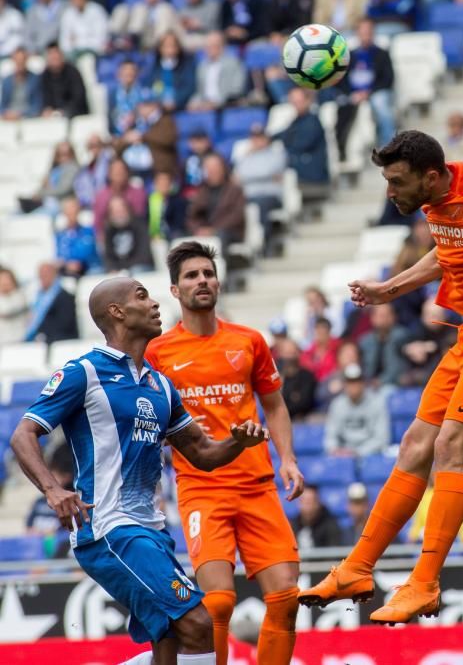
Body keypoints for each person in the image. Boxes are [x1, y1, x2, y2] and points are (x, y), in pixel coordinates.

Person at [298, 130, 463, 625]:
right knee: (413, 446)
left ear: (430, 176)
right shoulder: (430, 201)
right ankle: (357, 568)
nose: (389, 192)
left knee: (450, 447)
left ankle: (424, 583)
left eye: (397, 182)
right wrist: (389, 289)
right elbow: (449, 252)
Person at [11, 275, 270, 665]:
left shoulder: (161, 386)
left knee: (167, 638)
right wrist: (52, 489)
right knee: (199, 623)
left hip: (152, 530)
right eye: (142, 296)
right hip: (109, 528)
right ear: (117, 312)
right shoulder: (85, 372)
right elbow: (24, 434)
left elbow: (201, 452)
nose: (154, 304)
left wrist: (237, 442)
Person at [145, 241, 305, 665]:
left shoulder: (249, 341)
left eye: (208, 273)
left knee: (287, 597)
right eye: (192, 276)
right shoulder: (157, 352)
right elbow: (145, 416)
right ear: (175, 291)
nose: (203, 281)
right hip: (202, 487)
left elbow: (273, 402)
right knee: (217, 604)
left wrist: (287, 458)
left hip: (256, 485)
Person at [334, 18, 395, 154]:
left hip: (375, 93)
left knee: (381, 105)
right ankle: (342, 150)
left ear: (373, 33)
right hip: (352, 94)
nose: (366, 35)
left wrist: (368, 92)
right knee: (338, 105)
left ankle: (388, 147)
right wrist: (353, 94)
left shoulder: (382, 54)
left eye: (368, 32)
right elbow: (341, 81)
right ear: (357, 34)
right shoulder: (348, 56)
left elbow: (388, 79)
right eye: (362, 32)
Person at [233, 124, 286, 257]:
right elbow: (238, 174)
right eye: (254, 137)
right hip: (247, 196)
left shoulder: (276, 153)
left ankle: (264, 243)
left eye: (261, 137)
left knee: (260, 206)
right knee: (232, 207)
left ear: (267, 138)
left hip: (269, 196)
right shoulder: (244, 156)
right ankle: (241, 248)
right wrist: (265, 175)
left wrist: (248, 176)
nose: (258, 141)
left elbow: (268, 170)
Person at [322, 363, 390, 456]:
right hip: (343, 455)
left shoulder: (377, 402)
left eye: (357, 381)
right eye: (350, 382)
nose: (353, 385)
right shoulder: (337, 404)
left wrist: (357, 452)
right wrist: (335, 450)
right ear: (344, 384)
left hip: (370, 454)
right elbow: (330, 436)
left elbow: (382, 438)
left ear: (363, 383)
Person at [185, 153, 246, 252]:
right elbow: (192, 215)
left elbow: (237, 216)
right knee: (181, 236)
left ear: (223, 168)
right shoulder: (202, 191)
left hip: (229, 231)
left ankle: (219, 266)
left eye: (215, 168)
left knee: (220, 236)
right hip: (204, 231)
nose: (213, 171)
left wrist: (213, 230)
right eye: (209, 168)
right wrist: (198, 229)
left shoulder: (234, 190)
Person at [275, 87, 329, 193]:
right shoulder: (296, 121)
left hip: (312, 177)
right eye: (293, 102)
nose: (296, 105)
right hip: (299, 173)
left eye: (299, 101)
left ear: (308, 100)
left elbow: (299, 145)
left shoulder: (313, 122)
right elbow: (281, 135)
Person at [188, 31, 247, 111]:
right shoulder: (202, 66)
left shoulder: (234, 63)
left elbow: (237, 89)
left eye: (213, 46)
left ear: (222, 47)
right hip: (204, 106)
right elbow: (199, 91)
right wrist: (194, 102)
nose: (209, 49)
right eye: (207, 47)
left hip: (227, 106)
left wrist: (217, 102)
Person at [94, 158, 148, 239]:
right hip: (110, 240)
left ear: (127, 172)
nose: (118, 173)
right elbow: (98, 225)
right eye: (115, 170)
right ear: (109, 174)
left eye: (121, 170)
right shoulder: (101, 196)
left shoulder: (139, 194)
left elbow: (141, 220)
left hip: (135, 238)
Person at [25, 262, 78, 343]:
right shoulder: (38, 298)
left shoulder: (65, 297)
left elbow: (64, 325)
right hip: (40, 340)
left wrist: (42, 336)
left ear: (55, 275)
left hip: (58, 341)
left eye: (46, 274)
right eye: (41, 275)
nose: (43, 278)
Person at [146, 32, 197, 112]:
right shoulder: (154, 67)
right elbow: (148, 87)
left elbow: (189, 87)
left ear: (178, 48)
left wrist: (175, 101)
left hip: (179, 107)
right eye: (166, 46)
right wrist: (156, 102)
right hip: (158, 107)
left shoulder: (186, 66)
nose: (170, 49)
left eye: (172, 46)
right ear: (160, 48)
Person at [358, 304, 408, 386]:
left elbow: (397, 368)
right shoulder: (365, 341)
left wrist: (381, 381)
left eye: (387, 315)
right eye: (381, 315)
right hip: (368, 386)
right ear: (372, 318)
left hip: (394, 385)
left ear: (394, 317)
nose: (384, 319)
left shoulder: (401, 337)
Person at [103, 195, 154, 273]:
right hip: (119, 270)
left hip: (139, 267)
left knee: (136, 270)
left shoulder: (139, 225)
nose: (118, 214)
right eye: (115, 211)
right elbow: (108, 256)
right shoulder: (109, 230)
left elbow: (144, 254)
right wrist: (113, 269)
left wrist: (125, 269)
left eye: (121, 210)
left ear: (127, 209)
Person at [55, 196, 101, 277]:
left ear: (78, 211)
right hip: (68, 272)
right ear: (64, 213)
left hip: (89, 270)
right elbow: (59, 256)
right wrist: (67, 264)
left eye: (74, 209)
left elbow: (88, 252)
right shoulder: (60, 236)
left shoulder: (89, 231)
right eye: (68, 209)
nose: (71, 212)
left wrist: (74, 261)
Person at [40, 43, 89, 118]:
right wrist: (47, 109)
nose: (54, 57)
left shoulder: (72, 72)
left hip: (74, 114)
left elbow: (79, 98)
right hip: (53, 116)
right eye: (51, 55)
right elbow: (44, 98)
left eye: (56, 54)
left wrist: (63, 111)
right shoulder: (45, 76)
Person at [275, 338, 318, 420]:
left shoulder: (307, 377)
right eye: (287, 353)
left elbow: (304, 403)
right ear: (280, 354)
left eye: (293, 353)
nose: (290, 357)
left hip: (301, 421)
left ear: (299, 353)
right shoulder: (274, 376)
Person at [292, 485, 344, 551]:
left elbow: (333, 554)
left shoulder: (330, 526)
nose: (307, 507)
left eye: (310, 502)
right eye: (304, 502)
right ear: (298, 503)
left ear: (318, 503)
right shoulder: (293, 525)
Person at [1, 47, 43, 120]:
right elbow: (2, 105)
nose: (20, 63)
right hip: (9, 119)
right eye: (18, 61)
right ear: (14, 61)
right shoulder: (7, 81)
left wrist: (20, 114)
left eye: (22, 60)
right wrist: (6, 113)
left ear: (26, 60)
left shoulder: (35, 80)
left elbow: (37, 106)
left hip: (28, 119)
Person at [0, 267, 29, 345]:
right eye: (2, 279)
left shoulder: (20, 296)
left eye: (7, 279)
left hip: (20, 341)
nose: (4, 282)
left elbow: (7, 311)